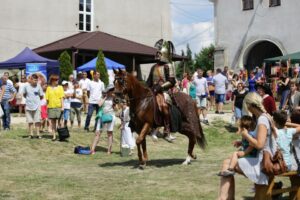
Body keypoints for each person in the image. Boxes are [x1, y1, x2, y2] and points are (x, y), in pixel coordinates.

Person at [218, 92, 277, 199]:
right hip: (265, 159)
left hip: (262, 163)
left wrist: (246, 135)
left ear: (250, 105)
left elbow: (259, 144)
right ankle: (226, 198)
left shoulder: (262, 120)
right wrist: (242, 142)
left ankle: (223, 198)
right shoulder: (266, 116)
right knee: (227, 164)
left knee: (227, 164)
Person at [146, 39, 176, 142]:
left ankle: (167, 131)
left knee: (163, 106)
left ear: (164, 54)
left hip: (164, 92)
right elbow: (149, 81)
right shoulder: (153, 67)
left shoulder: (168, 66)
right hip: (153, 91)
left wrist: (160, 87)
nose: (157, 55)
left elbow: (172, 81)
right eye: (157, 53)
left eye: (159, 53)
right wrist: (147, 89)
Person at [91, 85, 116, 155]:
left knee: (110, 133)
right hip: (102, 116)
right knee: (97, 133)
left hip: (111, 116)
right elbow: (99, 105)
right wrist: (105, 97)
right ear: (108, 91)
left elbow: (116, 108)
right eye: (111, 90)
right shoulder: (103, 97)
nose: (112, 92)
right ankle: (92, 149)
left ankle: (109, 150)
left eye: (113, 90)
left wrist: (115, 101)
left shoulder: (114, 98)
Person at [22, 74, 44, 139]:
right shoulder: (26, 86)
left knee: (37, 121)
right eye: (34, 80)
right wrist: (29, 100)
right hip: (28, 106)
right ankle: (30, 134)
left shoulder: (39, 86)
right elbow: (24, 94)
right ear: (31, 80)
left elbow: (41, 96)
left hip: (37, 106)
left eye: (37, 80)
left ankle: (38, 134)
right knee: (30, 121)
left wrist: (36, 100)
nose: (36, 81)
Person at [45, 74, 64, 141]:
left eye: (57, 79)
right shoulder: (48, 88)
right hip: (51, 107)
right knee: (53, 123)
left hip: (58, 107)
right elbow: (47, 99)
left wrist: (62, 107)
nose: (57, 81)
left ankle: (62, 135)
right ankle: (54, 136)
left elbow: (62, 98)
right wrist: (46, 108)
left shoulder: (60, 87)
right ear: (52, 80)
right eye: (56, 80)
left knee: (60, 122)